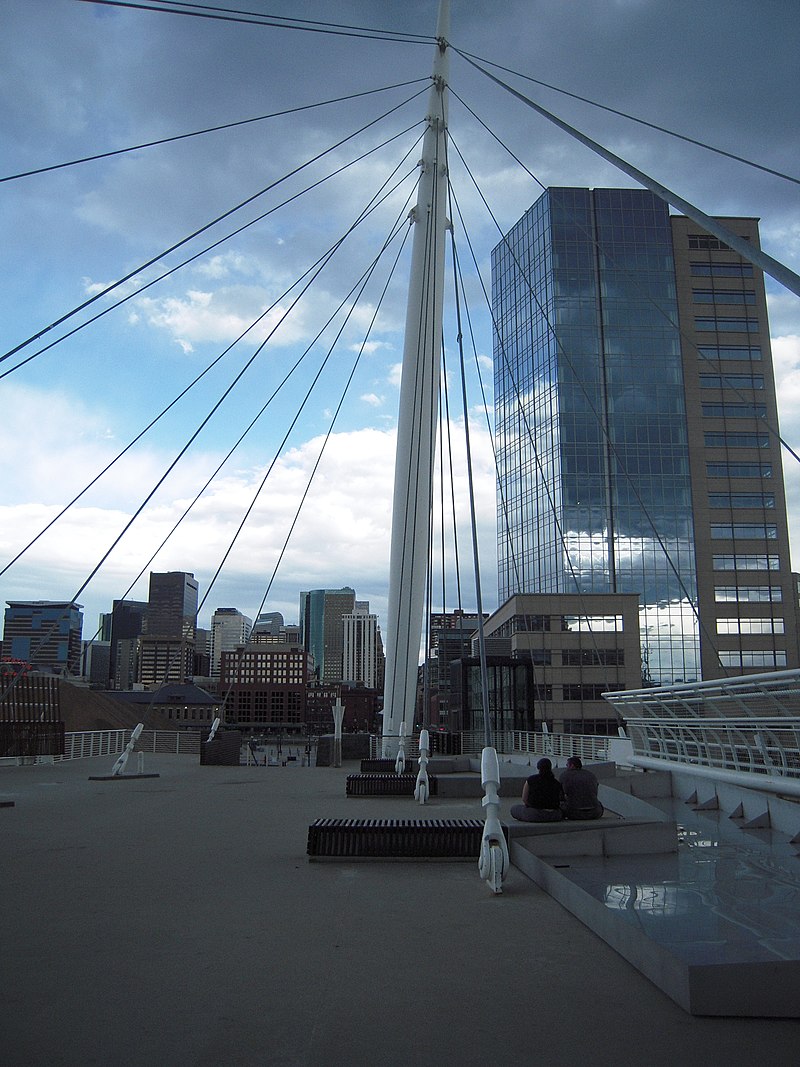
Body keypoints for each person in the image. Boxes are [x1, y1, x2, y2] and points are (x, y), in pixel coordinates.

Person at [511, 757, 564, 822]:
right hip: (554, 815)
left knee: (514, 809)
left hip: (535, 814)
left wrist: (530, 806)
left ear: (538, 767)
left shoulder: (531, 779)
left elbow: (524, 798)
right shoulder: (556, 783)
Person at [559, 756, 604, 820]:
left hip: (574, 813)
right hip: (594, 812)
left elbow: (561, 797)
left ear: (572, 765)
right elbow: (594, 793)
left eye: (567, 765)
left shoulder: (564, 775)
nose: (566, 767)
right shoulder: (591, 775)